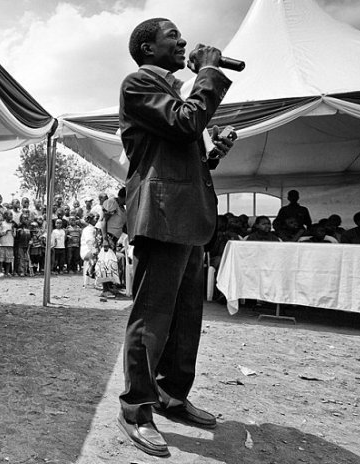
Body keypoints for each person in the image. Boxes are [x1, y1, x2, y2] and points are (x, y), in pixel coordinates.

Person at [117, 18, 235, 457]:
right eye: (172, 36)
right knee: (152, 317)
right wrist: (208, 72)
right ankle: (136, 409)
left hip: (187, 218)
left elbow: (183, 153)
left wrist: (213, 152)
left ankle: (171, 396)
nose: (183, 41)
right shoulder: (138, 83)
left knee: (186, 317)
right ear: (148, 48)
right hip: (162, 218)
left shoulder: (171, 96)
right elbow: (186, 124)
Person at [0, 211, 15, 277]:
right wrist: (4, 232)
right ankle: (0, 271)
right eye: (10, 215)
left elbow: (14, 234)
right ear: (5, 216)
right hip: (2, 243)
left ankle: (7, 272)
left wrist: (13, 231)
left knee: (9, 259)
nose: (11, 216)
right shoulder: (2, 223)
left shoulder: (12, 224)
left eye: (12, 215)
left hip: (10, 243)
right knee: (1, 258)